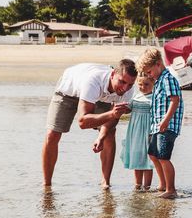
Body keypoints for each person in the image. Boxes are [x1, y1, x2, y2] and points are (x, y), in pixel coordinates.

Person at [42, 59, 137, 188]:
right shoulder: (93, 81)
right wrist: (111, 114)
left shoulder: (127, 90)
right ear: (113, 74)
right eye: (122, 82)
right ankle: (47, 184)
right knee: (52, 134)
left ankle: (105, 183)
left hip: (101, 96)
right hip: (69, 91)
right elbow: (82, 122)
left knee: (110, 133)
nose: (125, 88)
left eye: (130, 84)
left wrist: (101, 136)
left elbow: (113, 119)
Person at [136, 48, 184, 199]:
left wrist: (165, 120)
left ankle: (171, 189)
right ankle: (163, 184)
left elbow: (175, 100)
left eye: (149, 72)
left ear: (158, 64)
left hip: (168, 125)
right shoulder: (158, 81)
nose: (148, 75)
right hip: (157, 126)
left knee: (163, 157)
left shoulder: (168, 79)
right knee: (153, 154)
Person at [120, 74, 155, 191]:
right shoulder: (136, 97)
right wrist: (121, 108)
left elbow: (157, 115)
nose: (142, 86)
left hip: (147, 131)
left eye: (146, 84)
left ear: (153, 84)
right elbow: (128, 109)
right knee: (137, 156)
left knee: (148, 159)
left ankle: (147, 186)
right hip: (135, 131)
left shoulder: (154, 98)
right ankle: (137, 184)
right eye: (140, 84)